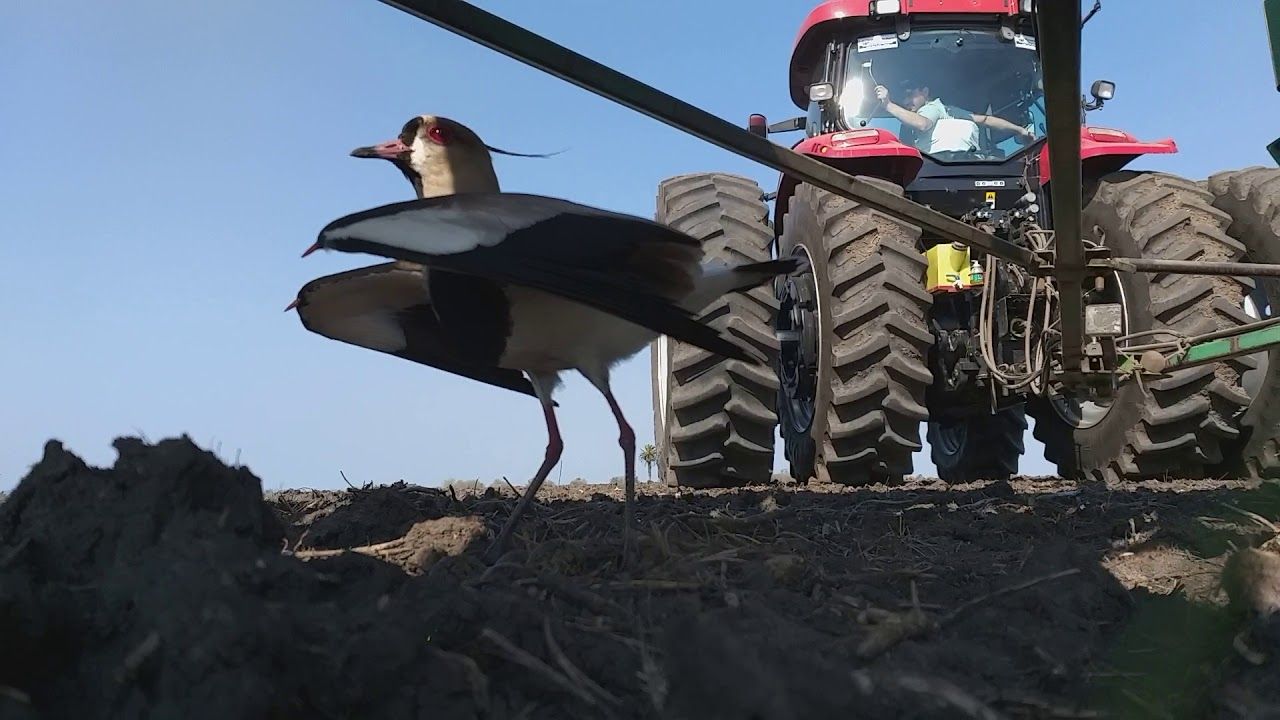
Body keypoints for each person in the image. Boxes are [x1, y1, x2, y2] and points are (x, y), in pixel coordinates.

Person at [874, 80, 1035, 153]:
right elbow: (986, 119)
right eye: (904, 98)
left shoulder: (931, 108)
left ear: (925, 92)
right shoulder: (949, 111)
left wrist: (888, 105)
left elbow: (922, 124)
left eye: (910, 95)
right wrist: (1019, 130)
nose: (906, 101)